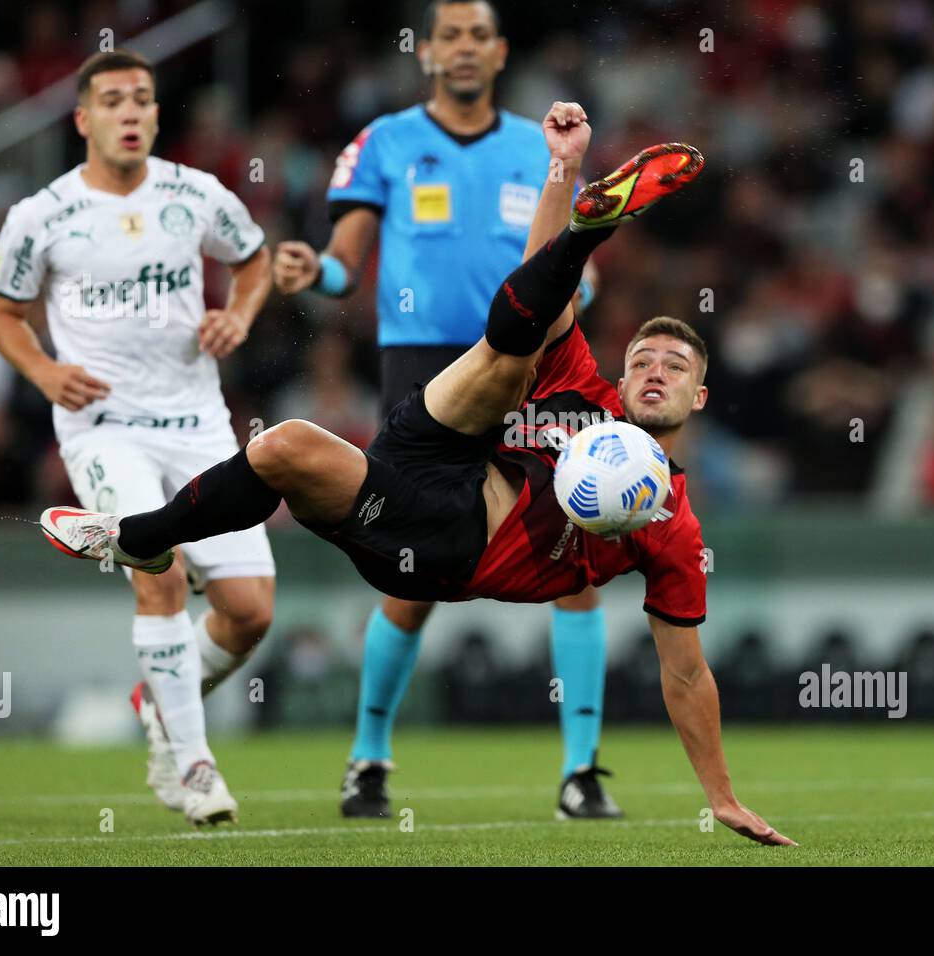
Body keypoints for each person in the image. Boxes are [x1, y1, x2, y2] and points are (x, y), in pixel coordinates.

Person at [41, 102, 796, 846]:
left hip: (452, 543)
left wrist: (721, 798)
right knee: (287, 444)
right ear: (623, 377)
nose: (653, 370)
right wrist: (562, 170)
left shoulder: (673, 522)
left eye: (674, 365)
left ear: (699, 396)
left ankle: (545, 768)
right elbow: (536, 284)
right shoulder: (583, 388)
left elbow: (688, 674)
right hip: (429, 454)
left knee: (508, 356)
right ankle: (140, 539)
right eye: (642, 360)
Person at [272, 0, 611, 820]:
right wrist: (312, 273)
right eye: (448, 35)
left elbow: (575, 260)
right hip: (425, 378)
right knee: (412, 577)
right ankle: (370, 758)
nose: (462, 49)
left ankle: (581, 773)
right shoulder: (385, 141)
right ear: (426, 51)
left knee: (575, 556)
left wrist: (578, 288)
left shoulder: (543, 144)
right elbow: (344, 265)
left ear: (499, 52)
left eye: (478, 36)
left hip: (526, 362)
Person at [0, 50, 275, 826]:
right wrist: (46, 375)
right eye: (112, 100)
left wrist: (237, 317)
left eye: (142, 100)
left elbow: (254, 264)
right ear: (83, 119)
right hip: (103, 426)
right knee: (161, 571)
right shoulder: (39, 214)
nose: (129, 112)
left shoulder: (197, 193)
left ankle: (160, 699)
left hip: (198, 421)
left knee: (249, 610)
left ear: (154, 114)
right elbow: (1, 316)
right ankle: (192, 762)